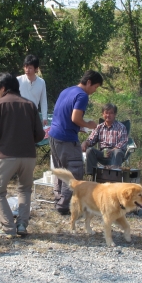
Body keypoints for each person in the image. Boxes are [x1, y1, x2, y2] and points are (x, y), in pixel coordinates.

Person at [0, 72, 45, 238]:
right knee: (25, 189)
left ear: (3, 88)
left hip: (7, 155)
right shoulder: (30, 105)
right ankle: (22, 225)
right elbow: (40, 135)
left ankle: (8, 227)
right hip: (29, 156)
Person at [49, 70, 103, 215]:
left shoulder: (66, 91)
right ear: (89, 82)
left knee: (61, 171)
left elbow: (62, 114)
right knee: (74, 172)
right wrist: (88, 124)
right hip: (66, 139)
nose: (94, 91)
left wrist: (78, 127)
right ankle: (64, 205)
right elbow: (75, 117)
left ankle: (58, 199)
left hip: (54, 135)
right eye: (95, 87)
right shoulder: (82, 95)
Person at [82, 103, 129, 175]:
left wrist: (112, 150)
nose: (108, 115)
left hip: (115, 152)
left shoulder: (121, 127)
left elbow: (123, 142)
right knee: (90, 150)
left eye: (111, 113)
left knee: (117, 152)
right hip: (103, 153)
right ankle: (92, 175)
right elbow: (91, 140)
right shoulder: (99, 127)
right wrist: (86, 142)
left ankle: (114, 176)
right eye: (106, 113)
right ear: (103, 114)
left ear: (115, 114)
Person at [17, 54, 48, 126]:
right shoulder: (18, 80)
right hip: (19, 114)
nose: (27, 70)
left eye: (30, 68)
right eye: (25, 67)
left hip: (33, 115)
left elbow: (43, 100)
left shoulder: (41, 82)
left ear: (36, 69)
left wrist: (44, 117)